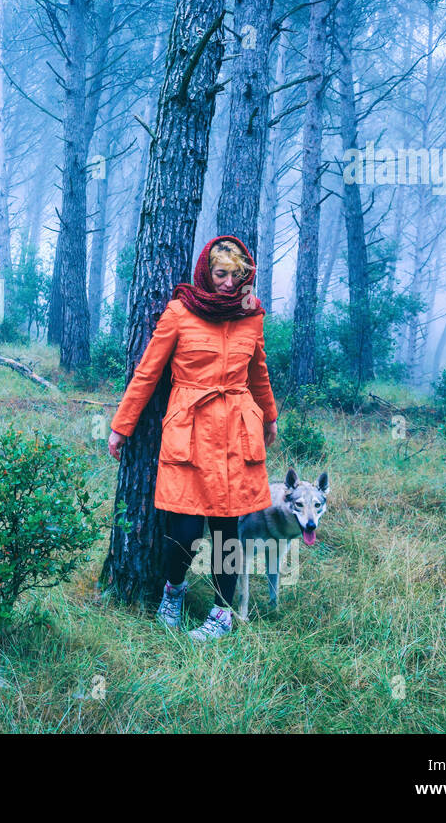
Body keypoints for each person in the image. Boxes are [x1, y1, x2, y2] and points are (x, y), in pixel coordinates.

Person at [107, 235, 278, 641]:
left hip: (236, 435)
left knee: (225, 533)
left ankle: (221, 613)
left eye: (236, 276)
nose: (227, 283)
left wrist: (269, 418)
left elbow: (259, 373)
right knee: (182, 531)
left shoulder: (251, 316)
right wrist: (121, 425)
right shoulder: (180, 311)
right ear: (206, 270)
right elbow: (148, 372)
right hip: (189, 431)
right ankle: (174, 591)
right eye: (221, 274)